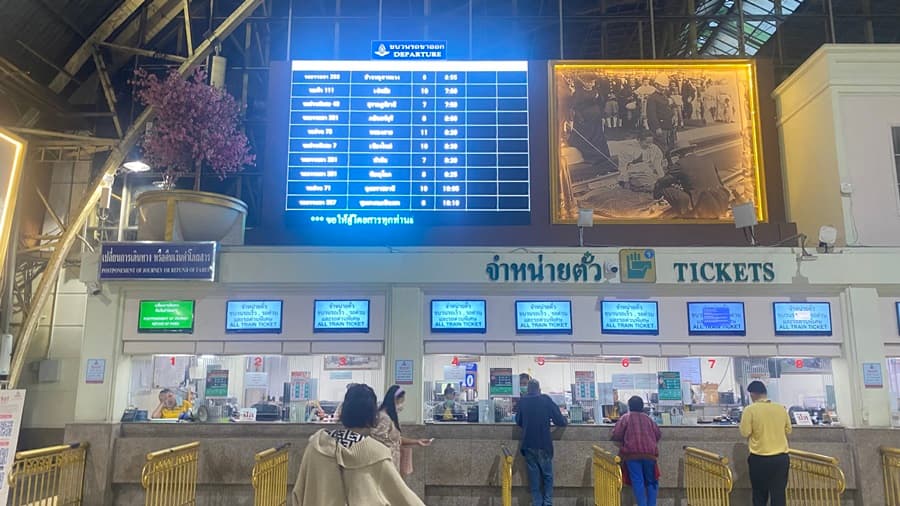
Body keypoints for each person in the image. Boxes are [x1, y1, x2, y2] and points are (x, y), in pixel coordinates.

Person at [292, 383, 425, 506]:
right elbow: (405, 499)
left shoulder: (316, 446)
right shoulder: (376, 454)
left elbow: (298, 493)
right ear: (373, 416)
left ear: (344, 412)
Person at [515, 378, 568, 506]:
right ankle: (548, 502)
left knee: (534, 480)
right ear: (539, 389)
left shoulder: (523, 401)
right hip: (543, 444)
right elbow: (560, 421)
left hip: (528, 444)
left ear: (527, 390)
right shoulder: (545, 400)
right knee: (547, 476)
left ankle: (537, 503)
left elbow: (518, 421)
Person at [740, 381, 792, 506]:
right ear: (765, 393)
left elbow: (745, 432)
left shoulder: (750, 410)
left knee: (759, 495)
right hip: (781, 459)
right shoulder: (781, 408)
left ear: (752, 394)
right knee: (779, 495)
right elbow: (788, 430)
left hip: (759, 459)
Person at [652, 141, 731, 219]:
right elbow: (720, 181)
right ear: (692, 150)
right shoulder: (708, 159)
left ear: (679, 154)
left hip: (701, 204)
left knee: (663, 187)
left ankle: (684, 213)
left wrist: (656, 191)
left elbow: (664, 181)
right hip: (721, 199)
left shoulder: (680, 163)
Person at [611, 396, 661, 506]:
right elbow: (658, 434)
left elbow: (616, 435)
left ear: (629, 406)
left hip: (632, 456)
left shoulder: (625, 418)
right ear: (642, 406)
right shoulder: (649, 419)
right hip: (650, 455)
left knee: (638, 482)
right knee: (652, 482)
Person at [372, 385, 432, 472]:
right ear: (395, 400)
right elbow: (377, 441)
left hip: (392, 463)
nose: (402, 405)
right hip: (384, 465)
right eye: (401, 401)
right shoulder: (383, 418)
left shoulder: (390, 417)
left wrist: (416, 441)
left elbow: (395, 439)